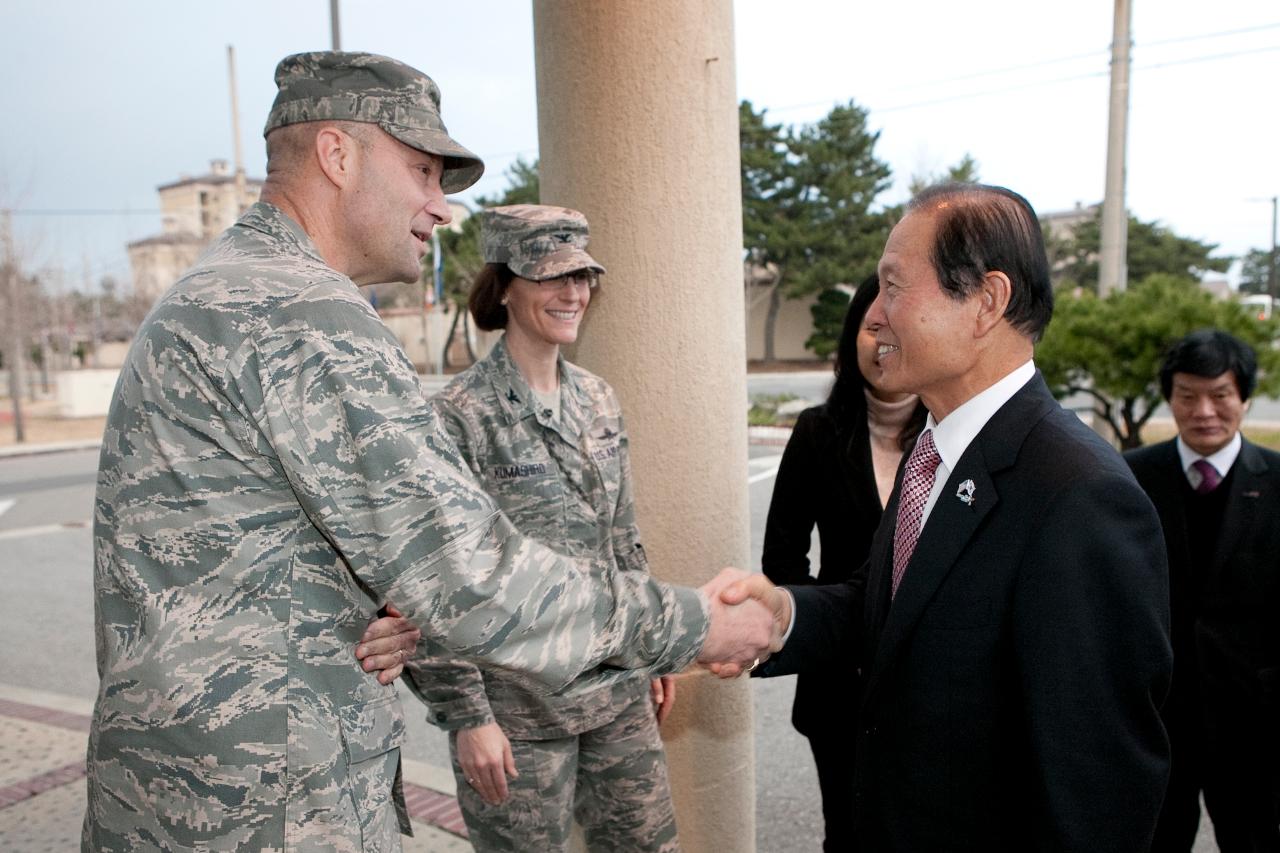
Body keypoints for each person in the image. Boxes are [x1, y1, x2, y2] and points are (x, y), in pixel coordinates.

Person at [84, 51, 777, 852]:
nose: (440, 207)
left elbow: (250, 553)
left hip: (195, 791)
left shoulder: (229, 289)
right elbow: (467, 571)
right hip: (263, 807)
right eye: (421, 171)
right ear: (337, 155)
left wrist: (369, 612)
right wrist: (693, 623)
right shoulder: (303, 313)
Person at [725, 183, 1173, 852]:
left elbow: (1096, 791)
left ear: (985, 302)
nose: (873, 315)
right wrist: (782, 614)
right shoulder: (935, 449)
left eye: (894, 287)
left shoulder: (1080, 494)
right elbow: (889, 604)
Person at [402, 204, 680, 852]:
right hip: (518, 715)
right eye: (552, 276)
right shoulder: (456, 418)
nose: (573, 291)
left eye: (581, 276)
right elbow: (432, 581)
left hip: (616, 693)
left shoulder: (598, 399)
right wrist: (468, 718)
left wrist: (653, 643)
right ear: (503, 286)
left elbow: (622, 538)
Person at [760, 274, 925, 851]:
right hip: (838, 686)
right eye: (869, 326)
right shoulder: (818, 432)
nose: (882, 341)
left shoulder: (951, 436)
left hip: (928, 683)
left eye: (896, 328)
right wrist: (829, 634)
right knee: (849, 834)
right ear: (850, 336)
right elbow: (783, 557)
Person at [1125, 329, 1280, 853]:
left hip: (1253, 717)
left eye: (1220, 395)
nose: (1204, 411)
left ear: (1245, 398)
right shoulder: (1129, 479)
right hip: (1158, 713)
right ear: (1169, 397)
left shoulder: (1278, 481)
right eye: (1187, 395)